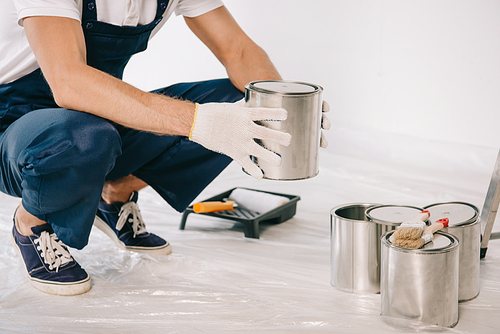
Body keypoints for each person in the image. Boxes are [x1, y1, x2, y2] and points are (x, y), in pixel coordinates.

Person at [1, 0, 330, 296]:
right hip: (17, 126)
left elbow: (238, 50)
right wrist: (199, 122)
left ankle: (114, 193)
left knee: (240, 103)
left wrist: (281, 113)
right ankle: (32, 221)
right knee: (85, 138)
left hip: (94, 118)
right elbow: (69, 81)